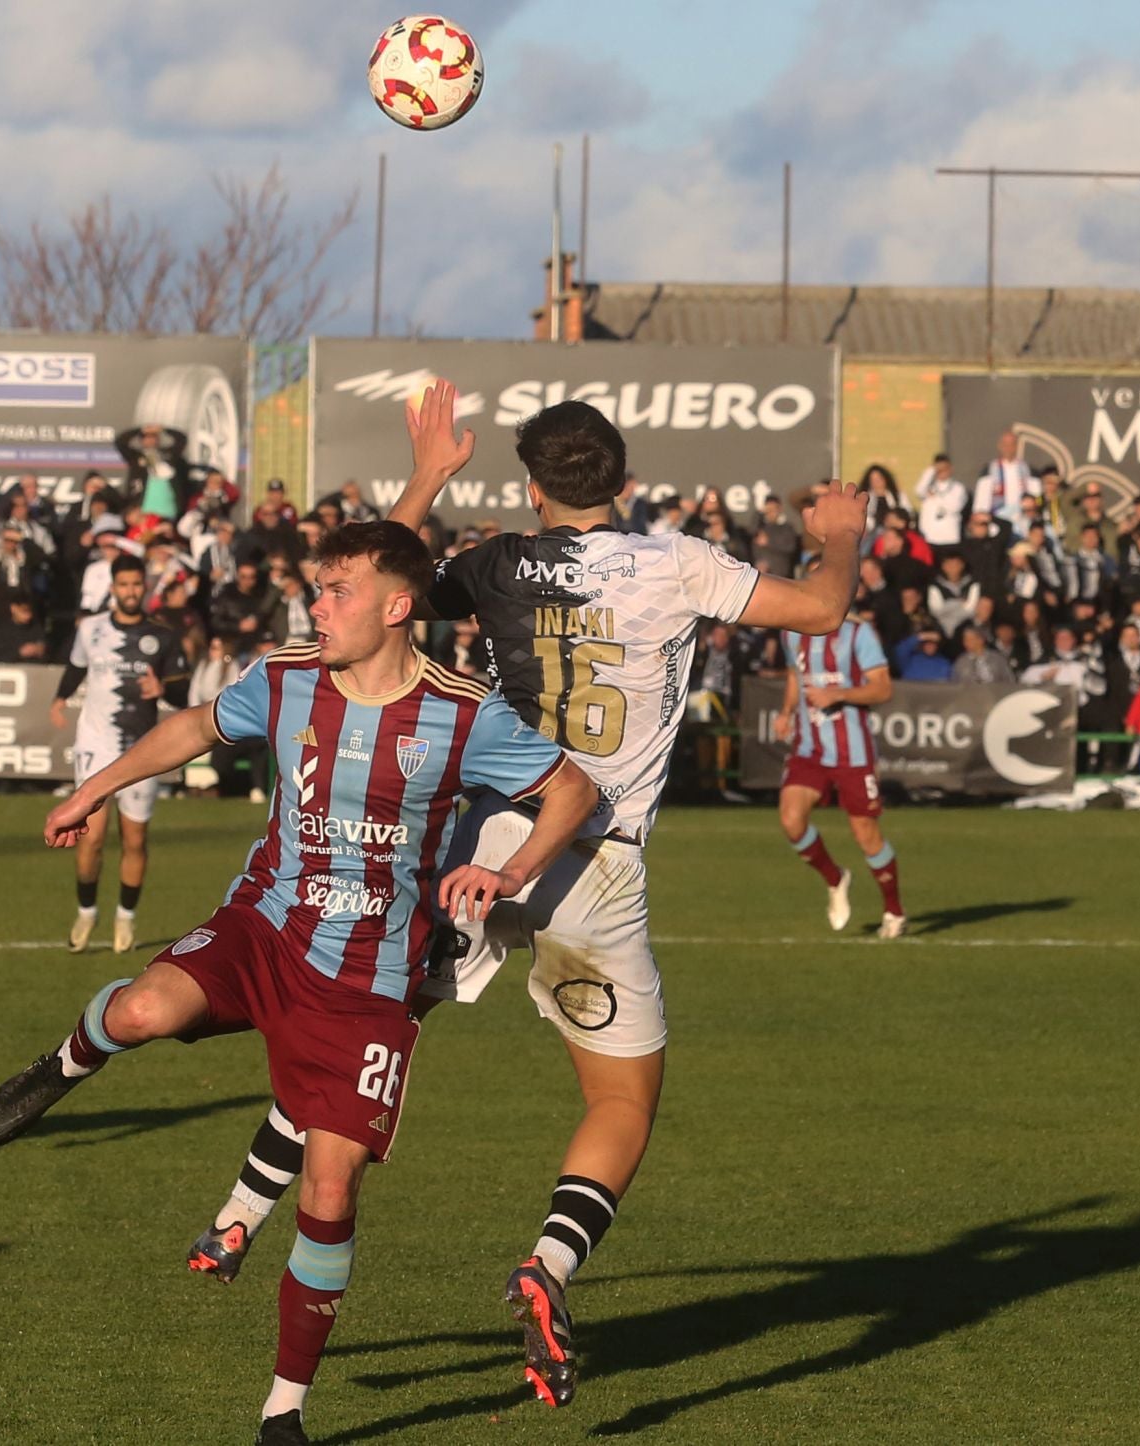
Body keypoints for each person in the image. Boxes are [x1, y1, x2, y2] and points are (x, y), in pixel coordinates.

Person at [190, 384, 872, 1415]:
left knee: (365, 1025)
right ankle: (547, 1265)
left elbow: (385, 586)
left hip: (481, 840)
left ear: (531, 486)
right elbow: (823, 608)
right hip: (592, 860)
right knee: (620, 1101)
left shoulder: (500, 563)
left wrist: (427, 474)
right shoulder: (677, 561)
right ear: (626, 482)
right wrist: (842, 538)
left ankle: (242, 1212)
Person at [0, 522, 600, 1446]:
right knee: (143, 1009)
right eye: (317, 587)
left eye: (336, 590)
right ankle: (65, 1064)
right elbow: (197, 725)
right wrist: (95, 789)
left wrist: (509, 874)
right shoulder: (286, 676)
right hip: (263, 928)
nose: (317, 604)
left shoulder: (463, 712)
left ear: (397, 607)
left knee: (331, 1190)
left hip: (370, 981)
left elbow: (573, 789)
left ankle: (283, 1413)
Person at [50, 555, 189, 954]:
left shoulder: (162, 636)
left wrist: (161, 688)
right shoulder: (90, 629)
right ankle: (86, 910)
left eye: (135, 584)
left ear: (144, 587)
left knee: (134, 839)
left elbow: (182, 691)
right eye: (123, 584)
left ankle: (125, 919)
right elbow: (77, 667)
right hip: (96, 744)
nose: (130, 591)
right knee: (90, 839)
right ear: (113, 587)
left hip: (142, 750)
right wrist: (60, 697)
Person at [775, 583, 906, 937]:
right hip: (808, 748)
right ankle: (835, 878)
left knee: (866, 833)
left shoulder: (858, 634)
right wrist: (787, 711)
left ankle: (894, 910)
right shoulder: (791, 634)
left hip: (853, 751)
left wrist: (839, 694)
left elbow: (883, 687)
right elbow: (794, 675)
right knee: (791, 820)